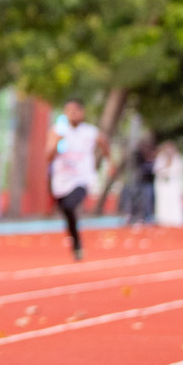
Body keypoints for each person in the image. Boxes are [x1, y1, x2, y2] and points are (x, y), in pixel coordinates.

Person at [46, 100, 109, 261]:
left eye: (76, 111)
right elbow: (48, 157)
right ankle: (77, 245)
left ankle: (77, 245)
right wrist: (55, 144)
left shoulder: (89, 131)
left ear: (82, 113)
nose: (72, 115)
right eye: (69, 111)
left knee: (70, 205)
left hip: (82, 178)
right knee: (67, 213)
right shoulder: (58, 131)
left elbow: (103, 142)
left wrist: (110, 161)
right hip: (61, 181)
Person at [153, 141, 183, 227]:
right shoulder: (160, 158)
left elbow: (178, 170)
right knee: (163, 201)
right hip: (163, 183)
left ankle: (175, 219)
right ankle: (163, 219)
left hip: (173, 183)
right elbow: (156, 170)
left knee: (174, 200)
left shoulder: (177, 158)